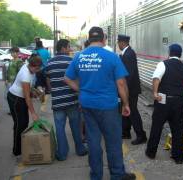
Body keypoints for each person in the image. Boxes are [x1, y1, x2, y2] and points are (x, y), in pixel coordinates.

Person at [65, 26, 136, 180]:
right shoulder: (112, 57)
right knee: (113, 141)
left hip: (87, 105)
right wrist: (126, 104)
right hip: (108, 106)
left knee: (93, 141)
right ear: (104, 39)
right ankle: (117, 174)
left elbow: (67, 78)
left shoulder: (79, 56)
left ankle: (96, 175)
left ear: (89, 39)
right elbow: (121, 84)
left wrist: (81, 90)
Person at [145, 44, 183, 164]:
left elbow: (156, 78)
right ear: (180, 54)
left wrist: (155, 93)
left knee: (157, 126)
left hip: (163, 101)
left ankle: (151, 153)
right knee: (177, 130)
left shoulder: (163, 64)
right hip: (178, 102)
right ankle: (178, 157)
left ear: (169, 53)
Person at [45, 39, 87, 161]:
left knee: (60, 128)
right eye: (68, 47)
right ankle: (80, 149)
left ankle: (62, 154)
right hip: (72, 100)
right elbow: (78, 79)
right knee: (75, 126)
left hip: (57, 101)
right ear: (63, 48)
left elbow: (48, 81)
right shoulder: (71, 61)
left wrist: (54, 91)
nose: (70, 49)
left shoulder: (49, 63)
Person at [7, 54, 42, 156]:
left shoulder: (28, 65)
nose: (38, 70)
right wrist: (33, 113)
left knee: (24, 123)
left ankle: (22, 146)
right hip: (16, 99)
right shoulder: (25, 74)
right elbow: (27, 97)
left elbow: (28, 89)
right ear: (32, 66)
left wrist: (34, 91)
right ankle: (17, 151)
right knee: (20, 124)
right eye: (37, 68)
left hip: (20, 98)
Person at [117, 34, 147, 145]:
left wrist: (124, 90)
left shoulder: (129, 54)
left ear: (122, 42)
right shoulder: (126, 53)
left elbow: (128, 75)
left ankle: (141, 135)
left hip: (131, 89)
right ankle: (126, 132)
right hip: (129, 88)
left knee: (133, 111)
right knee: (125, 109)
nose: (118, 45)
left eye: (118, 42)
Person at [4, 47, 24, 114]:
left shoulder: (20, 61)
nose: (12, 53)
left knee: (13, 96)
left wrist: (16, 81)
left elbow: (20, 73)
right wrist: (6, 79)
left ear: (18, 53)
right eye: (11, 52)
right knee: (7, 96)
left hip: (15, 82)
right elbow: (8, 71)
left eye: (14, 52)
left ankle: (14, 110)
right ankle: (12, 109)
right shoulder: (11, 61)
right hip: (9, 81)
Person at [34, 40, 51, 112]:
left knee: (38, 84)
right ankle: (43, 104)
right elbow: (50, 59)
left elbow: (32, 60)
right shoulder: (46, 51)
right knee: (47, 86)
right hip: (46, 70)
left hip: (38, 70)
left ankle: (40, 92)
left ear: (37, 45)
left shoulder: (35, 52)